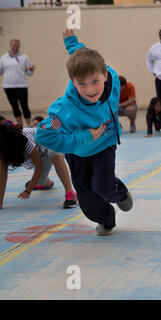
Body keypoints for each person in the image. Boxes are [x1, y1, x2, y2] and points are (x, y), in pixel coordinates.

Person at [35, 29, 133, 236]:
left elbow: (84, 55)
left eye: (95, 81)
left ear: (105, 75)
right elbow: (42, 135)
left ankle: (119, 193)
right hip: (78, 153)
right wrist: (83, 138)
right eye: (82, 84)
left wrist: (72, 43)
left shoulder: (113, 78)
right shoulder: (63, 111)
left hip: (105, 145)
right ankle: (106, 220)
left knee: (104, 186)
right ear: (73, 81)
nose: (90, 89)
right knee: (87, 200)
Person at [0, 124, 78, 209]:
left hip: (53, 142)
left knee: (53, 153)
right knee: (40, 181)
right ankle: (46, 183)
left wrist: (28, 191)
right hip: (42, 154)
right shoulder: (4, 148)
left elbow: (39, 168)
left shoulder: (25, 141)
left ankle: (70, 193)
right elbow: (2, 176)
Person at [0, 39, 35, 127]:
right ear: (10, 45)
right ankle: (20, 126)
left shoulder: (24, 57)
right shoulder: (3, 58)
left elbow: (29, 73)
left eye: (17, 46)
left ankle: (29, 126)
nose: (15, 48)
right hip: (8, 86)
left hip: (21, 86)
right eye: (14, 46)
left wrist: (31, 70)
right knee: (15, 107)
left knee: (24, 106)